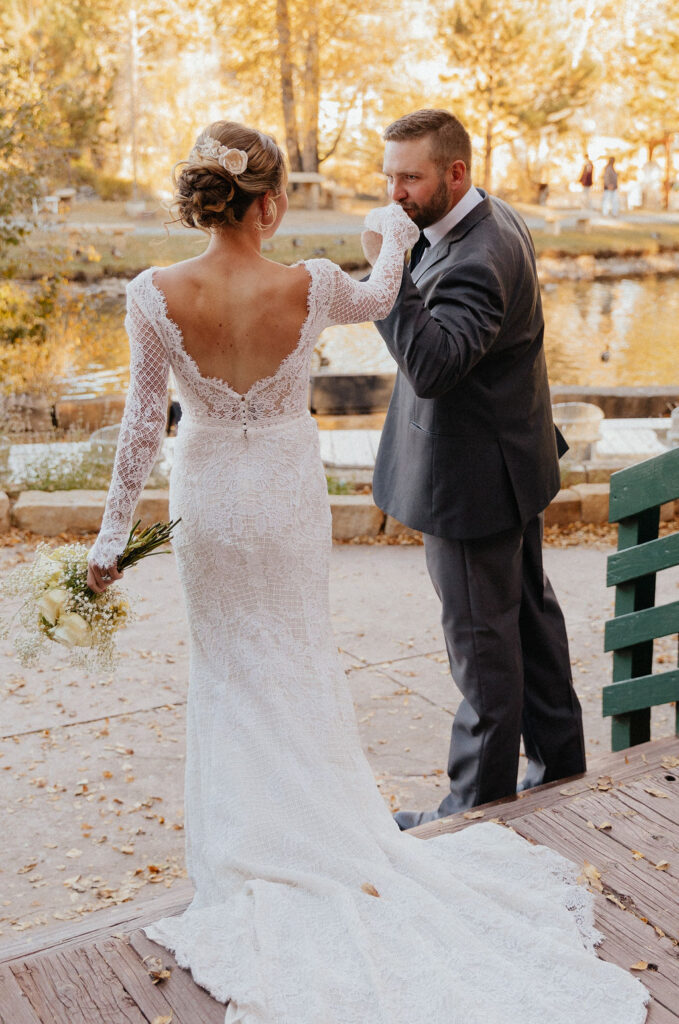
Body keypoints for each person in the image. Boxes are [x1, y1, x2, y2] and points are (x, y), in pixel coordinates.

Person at [86, 120, 647, 1024]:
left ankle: (243, 853)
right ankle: (328, 832)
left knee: (225, 668)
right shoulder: (309, 288)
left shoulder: (153, 295)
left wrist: (110, 541)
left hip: (211, 507)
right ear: (271, 203)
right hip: (281, 497)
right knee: (298, 658)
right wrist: (386, 237)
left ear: (203, 200)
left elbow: (140, 431)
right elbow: (388, 293)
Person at [367, 109, 587, 831]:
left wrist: (388, 269)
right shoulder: (491, 218)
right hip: (508, 464)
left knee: (482, 647)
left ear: (454, 173)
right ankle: (560, 770)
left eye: (410, 177)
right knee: (526, 622)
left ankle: (473, 810)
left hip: (471, 483)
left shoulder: (471, 256)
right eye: (389, 174)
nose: (394, 190)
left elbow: (431, 366)